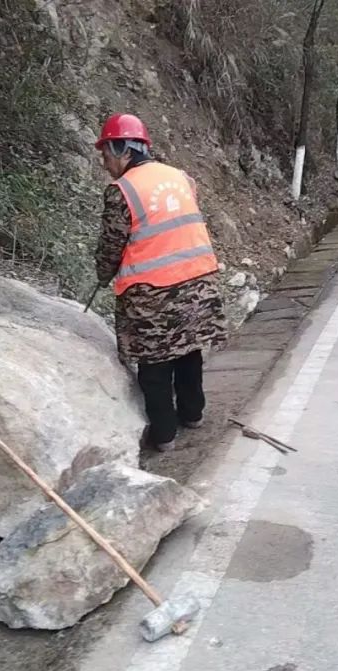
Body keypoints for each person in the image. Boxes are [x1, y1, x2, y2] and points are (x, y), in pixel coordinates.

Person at [93, 113, 227, 453]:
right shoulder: (181, 177)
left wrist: (103, 274)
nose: (104, 163)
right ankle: (193, 414)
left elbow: (112, 245)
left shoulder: (122, 190)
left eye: (106, 154)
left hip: (152, 293)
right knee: (188, 349)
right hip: (199, 283)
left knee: (154, 364)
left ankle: (164, 435)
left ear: (123, 149)